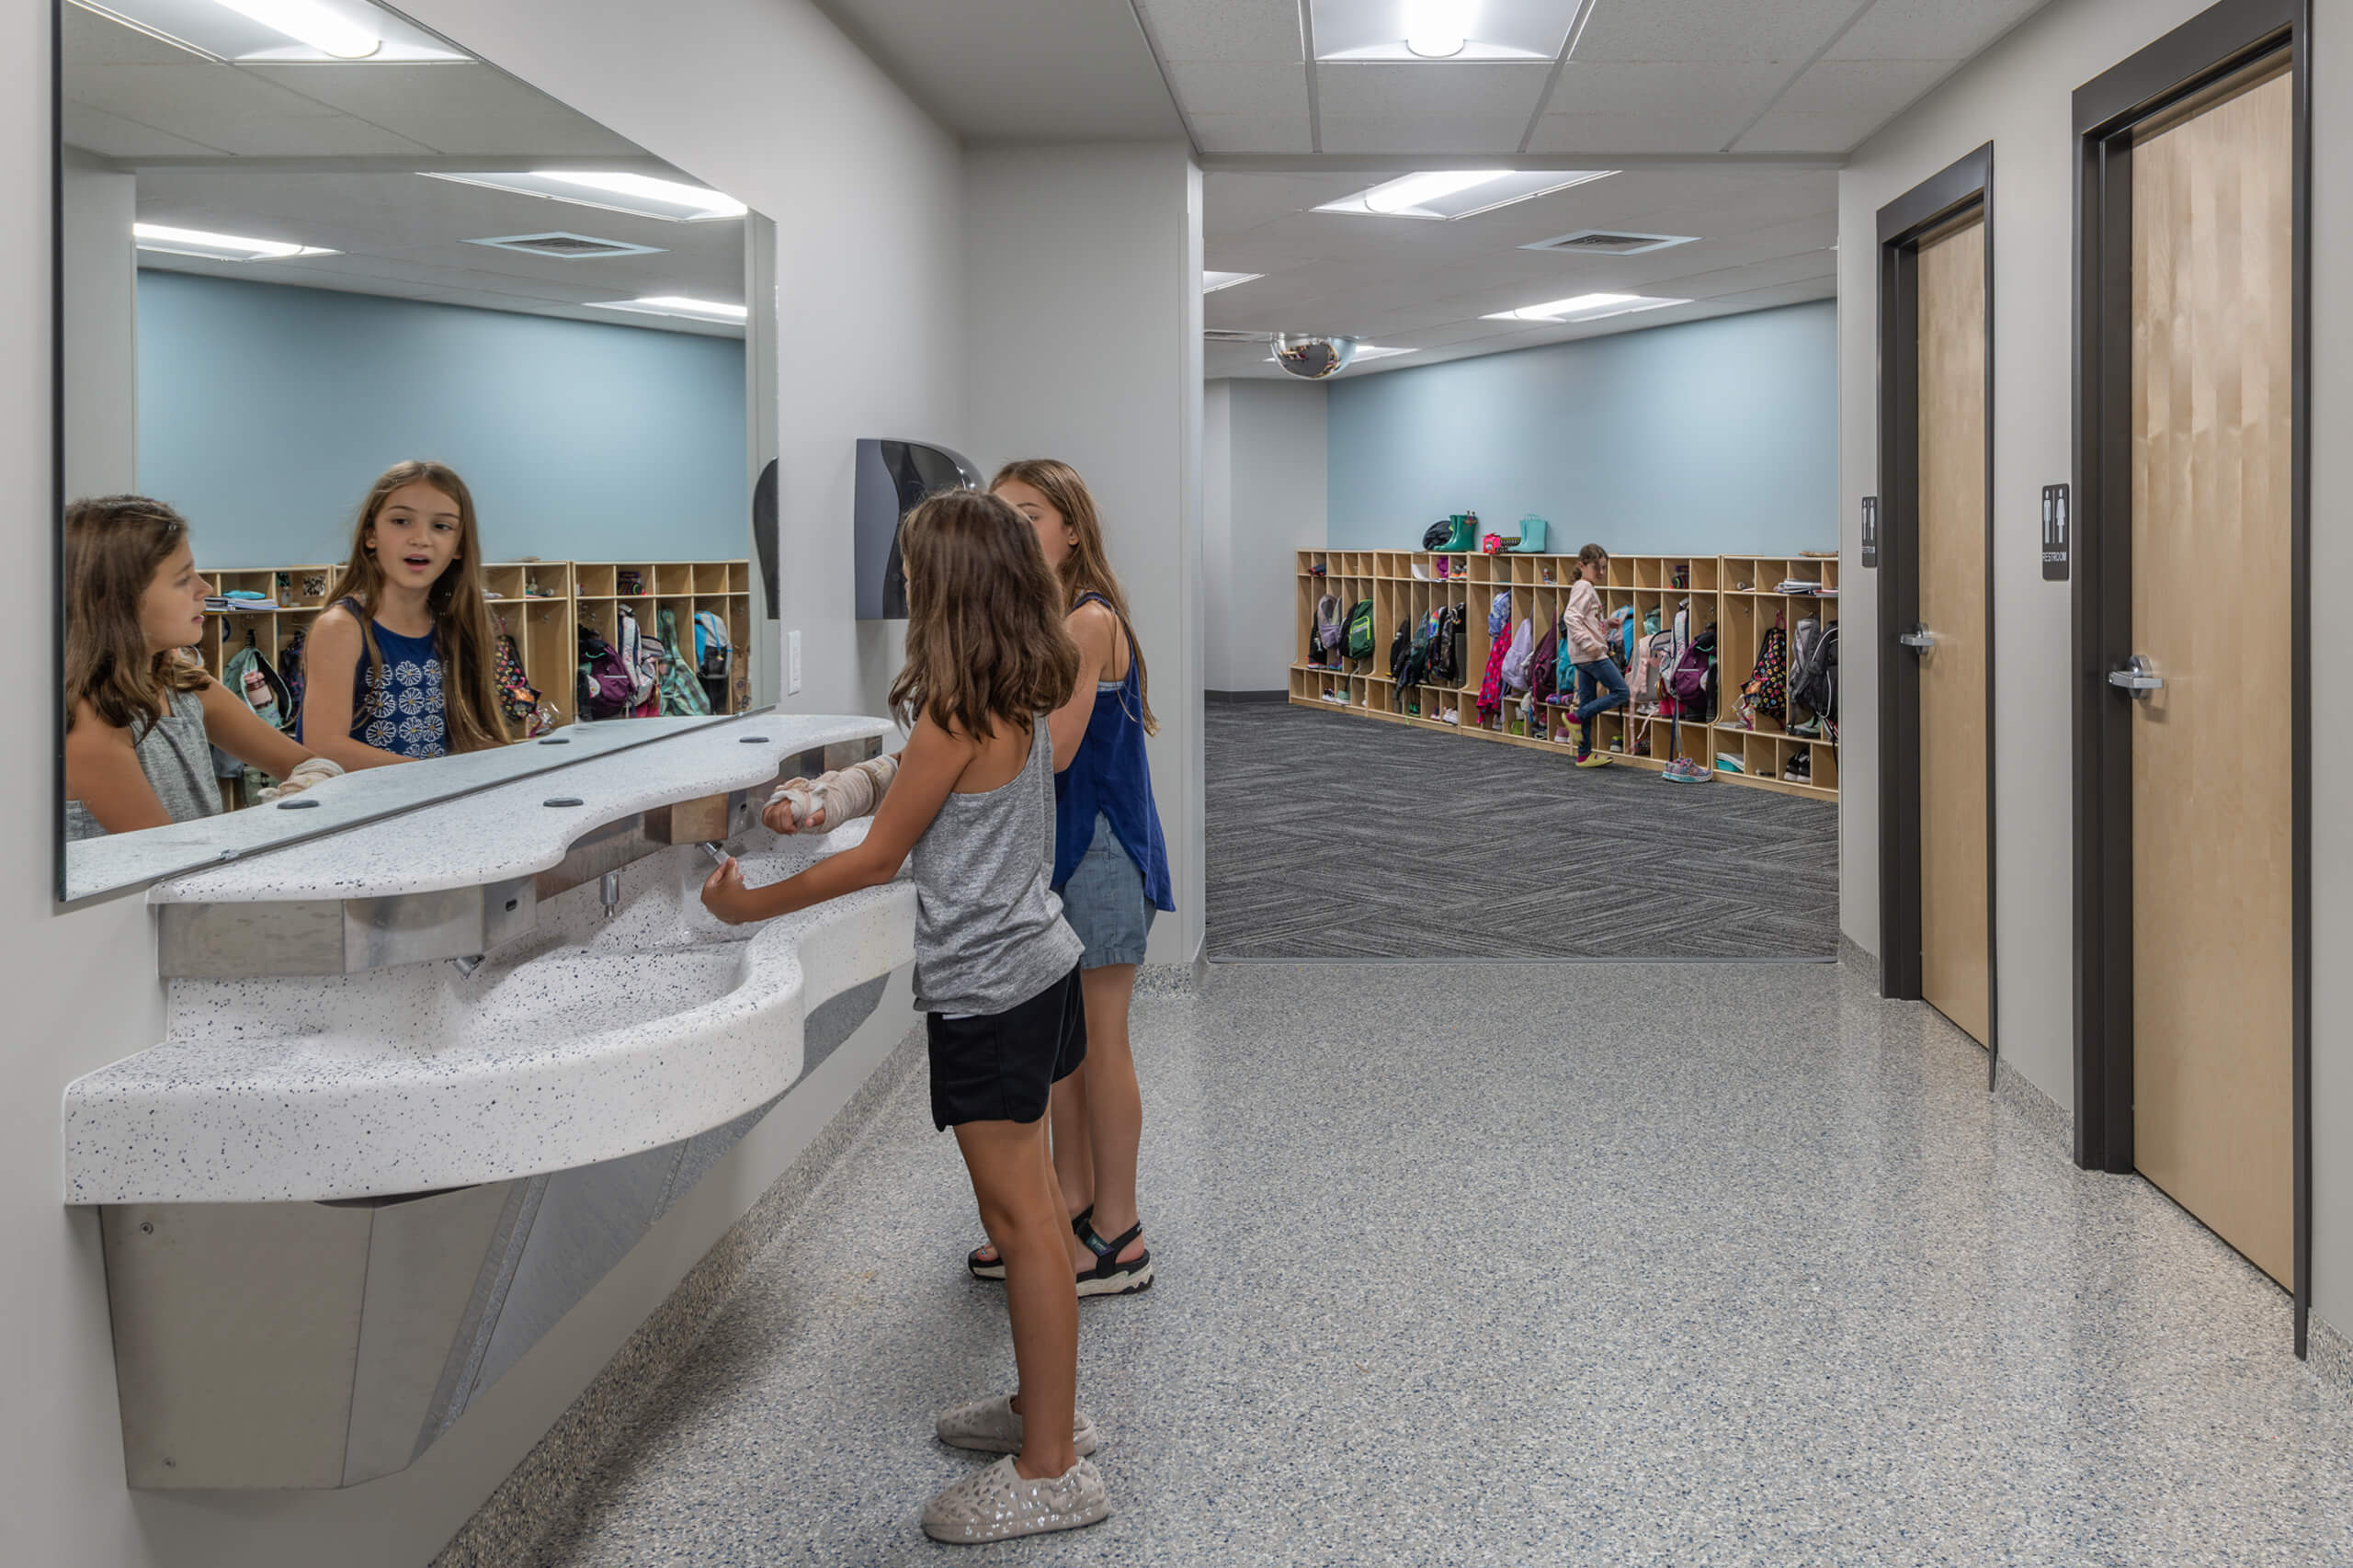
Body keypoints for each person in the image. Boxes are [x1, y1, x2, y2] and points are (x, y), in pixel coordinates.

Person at [699, 488, 1109, 1544]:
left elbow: (881, 857)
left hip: (993, 989)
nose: (906, 586)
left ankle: (1051, 1466)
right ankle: (1044, 1407)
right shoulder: (1019, 688)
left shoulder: (955, 716)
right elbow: (905, 802)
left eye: (915, 572)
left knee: (1019, 1221)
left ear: (947, 590)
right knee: (1034, 1219)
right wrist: (838, 792)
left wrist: (747, 903)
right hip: (1040, 965)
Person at [969, 458, 1172, 1299]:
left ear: (1071, 529)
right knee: (1069, 1052)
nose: (1014, 532)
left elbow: (1053, 749)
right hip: (1064, 853)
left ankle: (1119, 1232)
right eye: (1001, 518)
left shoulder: (1089, 622)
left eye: (1029, 517)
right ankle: (1070, 1205)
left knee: (1103, 1044)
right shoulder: (1045, 619)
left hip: (1102, 852)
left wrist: (963, 743)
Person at [63, 495, 338, 840]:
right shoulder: (90, 720)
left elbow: (310, 764)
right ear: (115, 600)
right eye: (182, 579)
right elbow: (166, 858)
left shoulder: (183, 683)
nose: (205, 588)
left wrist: (308, 785)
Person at [300, 460, 508, 768]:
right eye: (401, 521)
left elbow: (454, 738)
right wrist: (432, 777)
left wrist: (514, 759)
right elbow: (324, 747)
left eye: (441, 526)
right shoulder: (342, 628)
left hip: (426, 808)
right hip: (362, 813)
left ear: (459, 546)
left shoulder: (449, 628)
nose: (421, 538)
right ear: (371, 535)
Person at [1566, 541, 1627, 767]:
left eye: (1603, 568)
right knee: (1621, 692)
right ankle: (1575, 717)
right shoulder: (1584, 587)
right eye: (1597, 568)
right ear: (1582, 565)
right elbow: (1571, 618)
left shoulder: (1585, 586)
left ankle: (1584, 755)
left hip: (1583, 656)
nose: (1601, 572)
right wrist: (1588, 643)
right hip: (1591, 654)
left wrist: (1606, 623)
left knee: (1589, 700)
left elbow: (1586, 621)